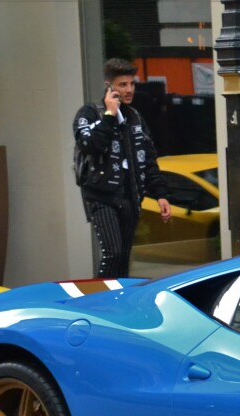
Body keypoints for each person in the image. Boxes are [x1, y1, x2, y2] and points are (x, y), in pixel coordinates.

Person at [72, 58, 170, 278]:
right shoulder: (89, 113)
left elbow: (148, 158)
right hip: (101, 196)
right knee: (112, 253)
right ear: (110, 87)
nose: (129, 89)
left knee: (123, 257)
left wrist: (161, 194)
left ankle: (118, 305)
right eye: (123, 85)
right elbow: (90, 145)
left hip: (131, 197)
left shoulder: (135, 117)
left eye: (132, 84)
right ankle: (99, 301)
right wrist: (109, 115)